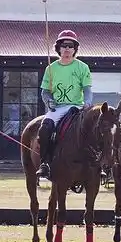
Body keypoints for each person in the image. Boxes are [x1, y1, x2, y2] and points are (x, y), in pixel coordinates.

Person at [37, 30, 93, 179]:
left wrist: (87, 103)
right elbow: (45, 92)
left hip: (77, 107)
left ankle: (97, 164)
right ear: (58, 48)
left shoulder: (83, 67)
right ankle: (45, 163)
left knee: (95, 128)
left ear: (75, 49)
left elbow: (87, 89)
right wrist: (48, 100)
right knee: (45, 128)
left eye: (70, 46)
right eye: (64, 45)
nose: (67, 49)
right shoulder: (51, 68)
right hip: (58, 108)